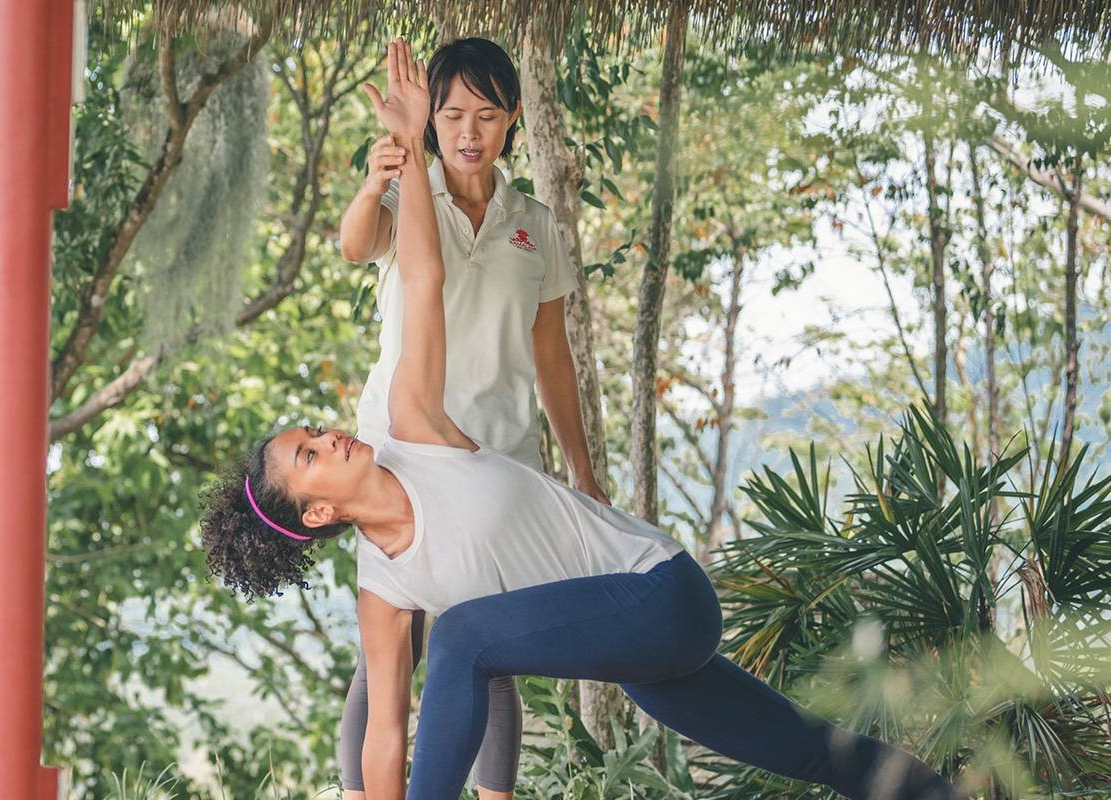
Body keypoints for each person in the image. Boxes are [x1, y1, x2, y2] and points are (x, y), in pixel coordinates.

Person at [197, 38, 967, 800]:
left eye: (311, 430)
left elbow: (423, 280)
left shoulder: (416, 427)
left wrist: (412, 143)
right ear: (321, 508)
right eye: (309, 454)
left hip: (659, 591)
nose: (328, 433)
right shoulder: (383, 584)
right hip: (638, 650)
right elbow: (385, 734)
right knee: (805, 748)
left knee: (464, 636)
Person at [333, 34, 601, 800]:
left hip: (500, 459)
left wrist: (579, 468)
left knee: (490, 645)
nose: (468, 133)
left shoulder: (535, 224)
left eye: (486, 115)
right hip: (406, 459)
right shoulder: (403, 195)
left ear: (513, 118)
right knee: (394, 648)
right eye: (451, 116)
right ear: (429, 123)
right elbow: (357, 247)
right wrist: (373, 179)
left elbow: (552, 355)